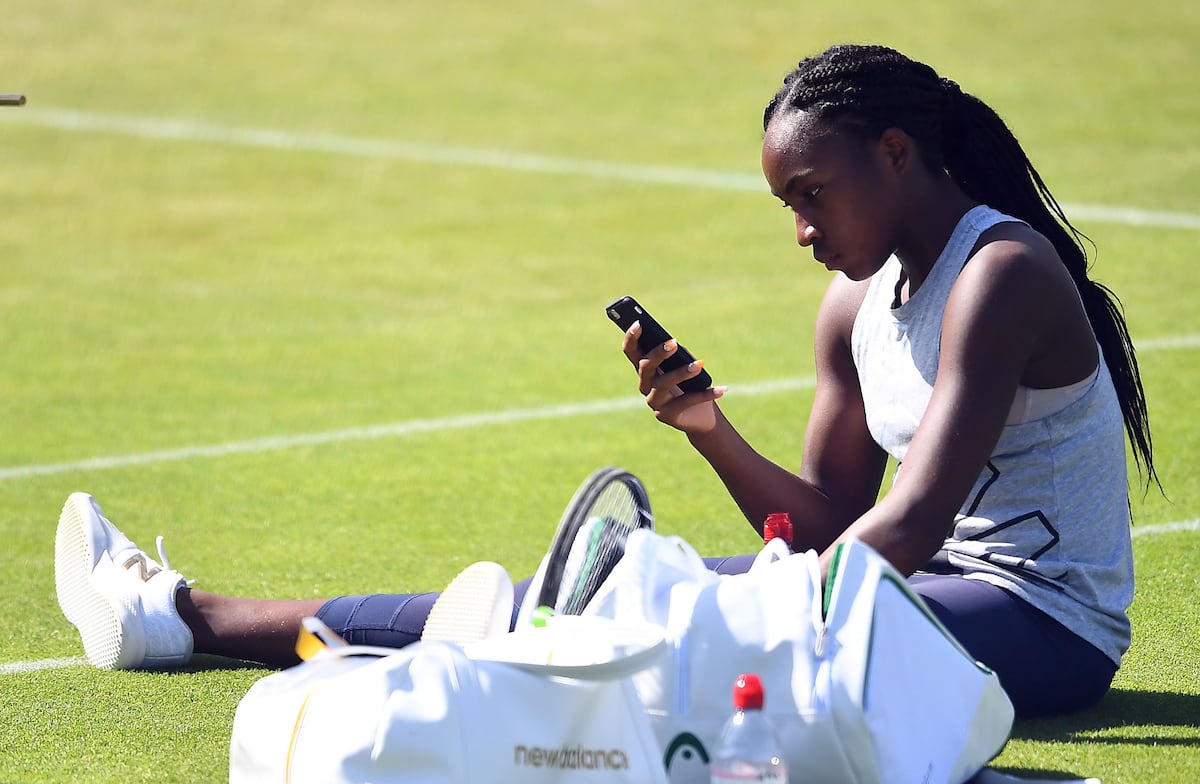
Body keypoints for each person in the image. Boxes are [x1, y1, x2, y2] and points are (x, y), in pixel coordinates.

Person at [54, 44, 1155, 717]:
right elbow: (823, 524)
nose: (803, 230)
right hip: (899, 600)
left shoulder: (1002, 273)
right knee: (565, 602)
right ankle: (183, 619)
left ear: (899, 153)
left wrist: (728, 598)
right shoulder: (854, 305)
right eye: (789, 207)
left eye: (813, 193)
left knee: (648, 616)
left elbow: (908, 525)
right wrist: (707, 428)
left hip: (1038, 626)